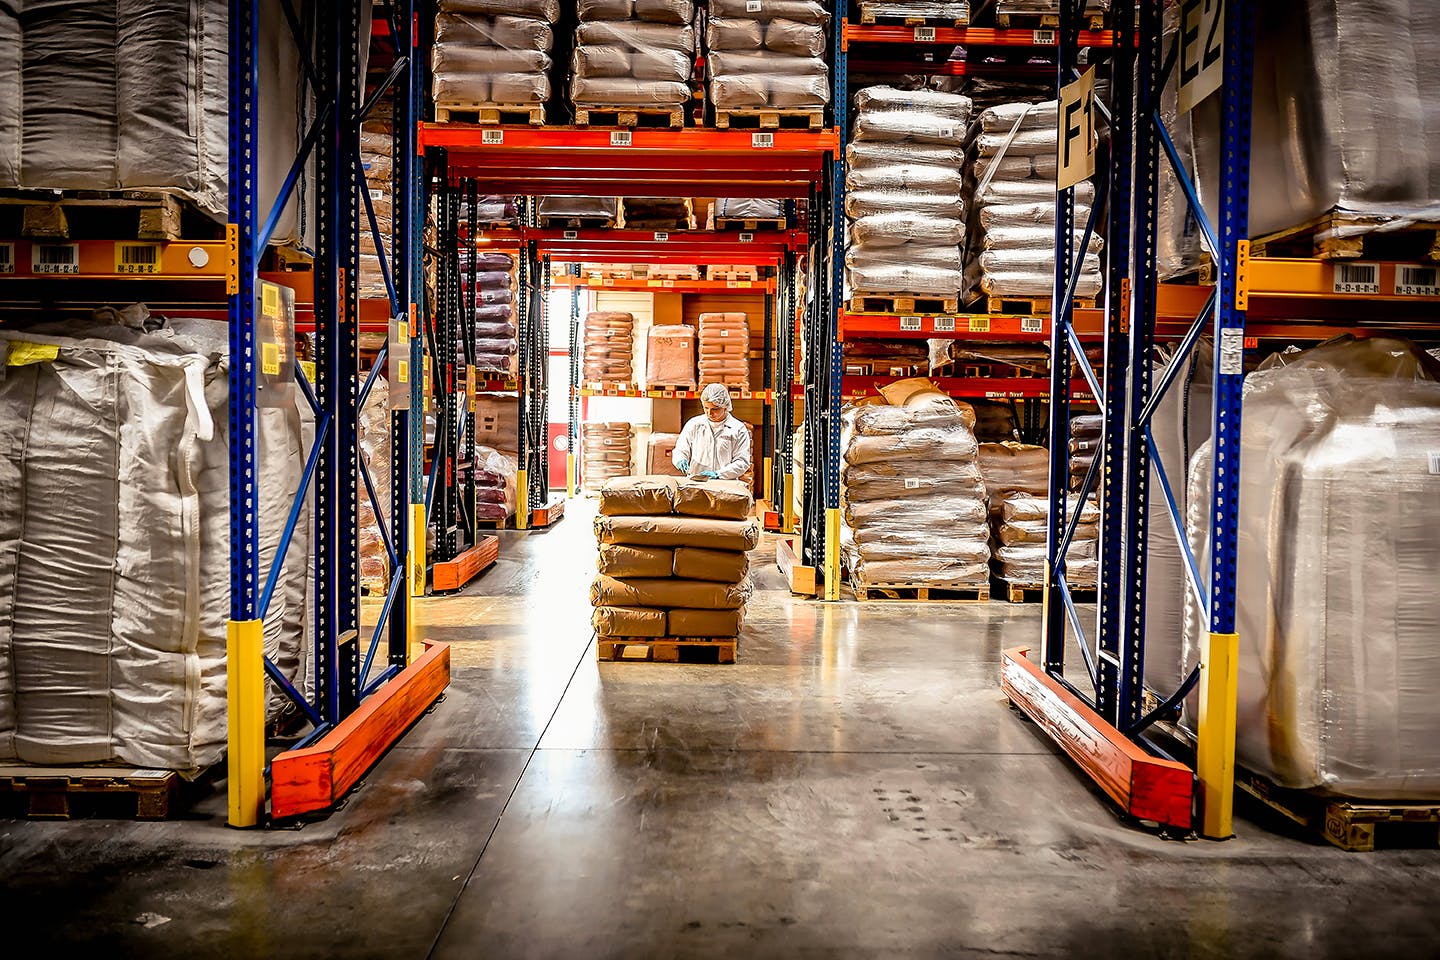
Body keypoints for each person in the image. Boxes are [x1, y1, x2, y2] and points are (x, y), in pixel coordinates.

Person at [673, 383, 752, 480]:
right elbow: (681, 449)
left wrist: (719, 474)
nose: (709, 413)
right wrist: (680, 459)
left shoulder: (738, 429)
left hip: (725, 485)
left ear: (725, 406)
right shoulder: (694, 424)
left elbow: (742, 462)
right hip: (696, 483)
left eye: (715, 409)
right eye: (706, 408)